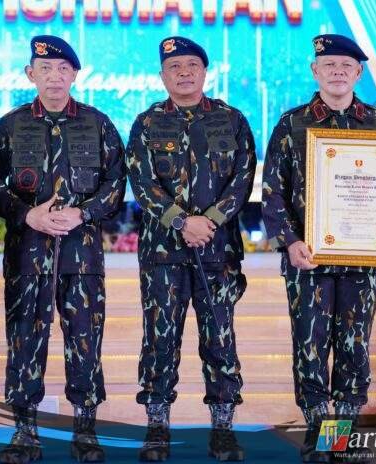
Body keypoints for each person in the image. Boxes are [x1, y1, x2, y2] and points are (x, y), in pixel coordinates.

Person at [261, 34, 376, 463]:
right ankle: (318, 433)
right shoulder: (292, 123)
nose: (337, 72)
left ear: (359, 73)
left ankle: (340, 437)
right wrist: (290, 241)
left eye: (345, 66)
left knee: (353, 345)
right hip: (307, 257)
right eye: (329, 65)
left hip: (362, 257)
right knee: (310, 345)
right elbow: (273, 191)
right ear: (315, 71)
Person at [0, 35, 126, 464]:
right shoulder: (11, 125)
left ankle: (86, 432)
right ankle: (25, 432)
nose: (55, 76)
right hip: (27, 255)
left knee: (85, 342)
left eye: (63, 69)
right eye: (45, 69)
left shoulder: (98, 124)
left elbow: (116, 183)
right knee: (24, 341)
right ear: (31, 74)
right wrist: (25, 214)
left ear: (74, 75)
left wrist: (84, 213)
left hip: (82, 257)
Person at [125, 36, 256, 462]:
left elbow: (243, 178)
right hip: (163, 254)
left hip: (218, 252)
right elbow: (142, 183)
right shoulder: (146, 123)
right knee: (159, 340)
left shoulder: (231, 120)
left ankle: (223, 429)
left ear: (205, 71)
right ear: (162, 75)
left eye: (191, 65)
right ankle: (157, 428)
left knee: (220, 339)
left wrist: (209, 221)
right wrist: (183, 222)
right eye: (174, 67)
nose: (183, 73)